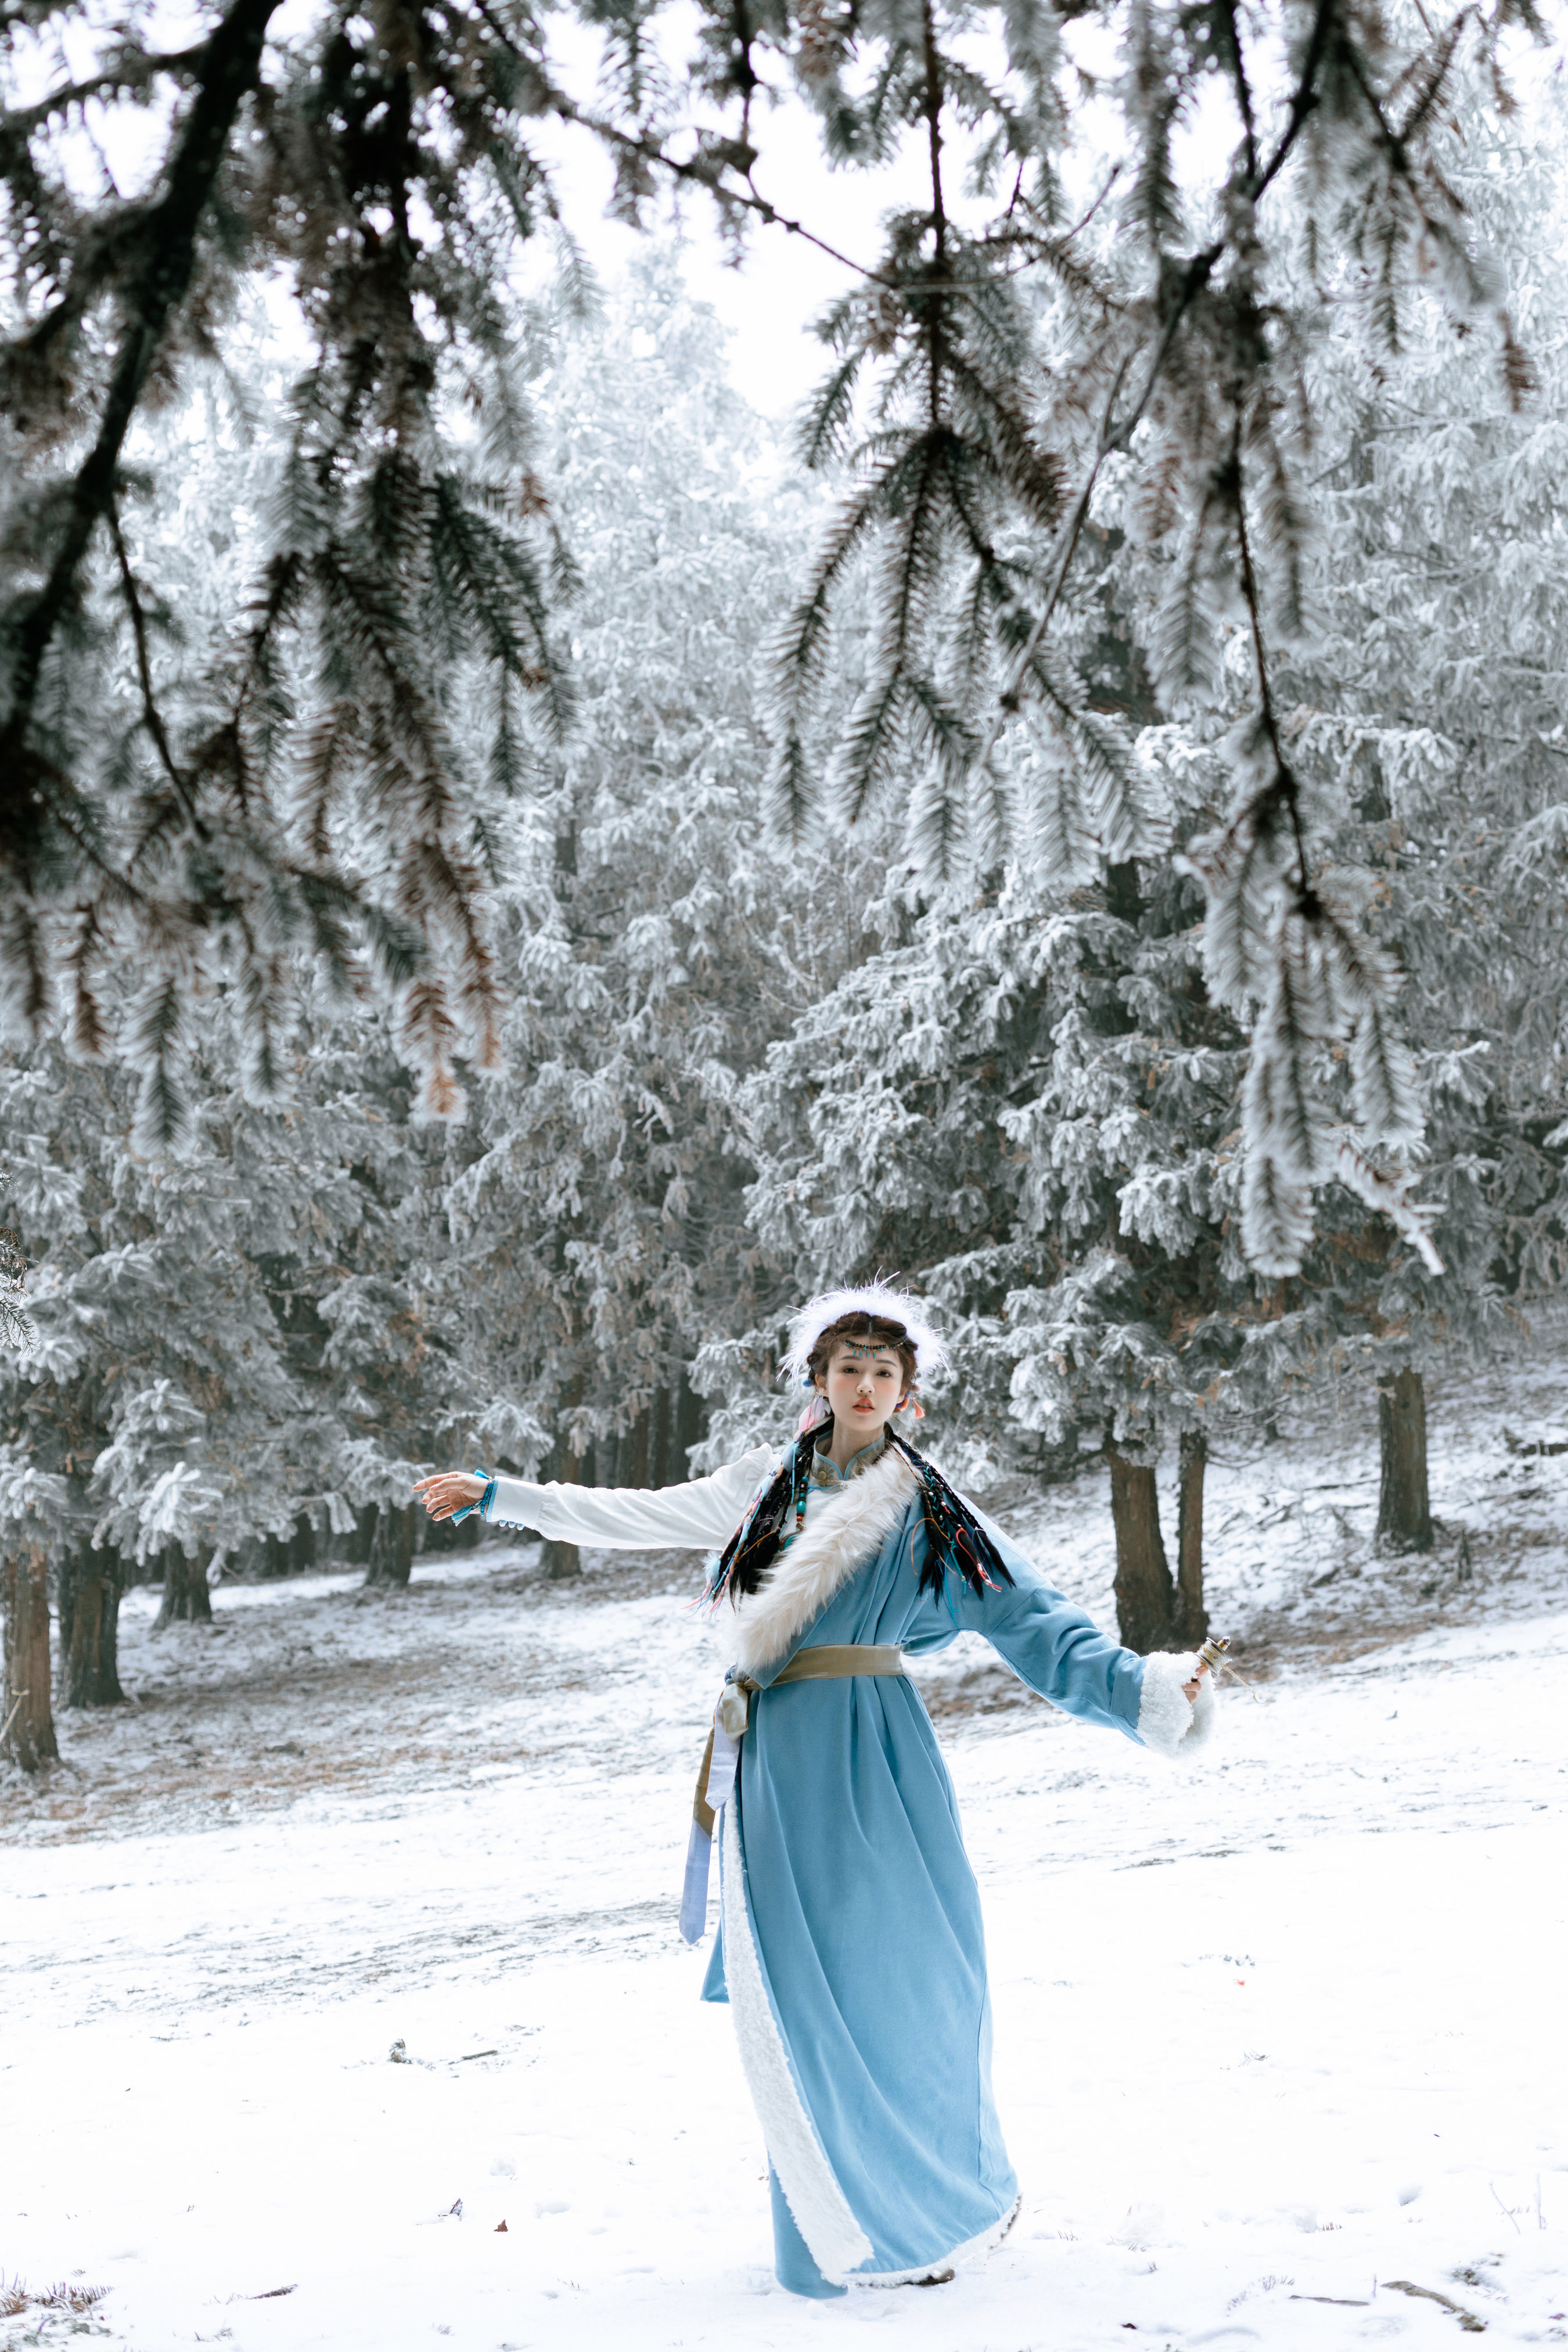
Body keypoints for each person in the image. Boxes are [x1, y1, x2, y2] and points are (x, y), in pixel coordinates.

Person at [415, 1283, 1215, 2301]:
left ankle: (941, 2203)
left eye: (887, 1371)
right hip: (776, 1758)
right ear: (820, 1380)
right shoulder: (764, 1484)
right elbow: (632, 1515)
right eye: (850, 1367)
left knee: (920, 1977)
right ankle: (826, 2237)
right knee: (798, 1997)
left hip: (879, 1756)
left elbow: (1031, 1617)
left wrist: (1136, 1685)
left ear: (908, 1392)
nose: (868, 1385)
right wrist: (504, 1494)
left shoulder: (933, 1509)